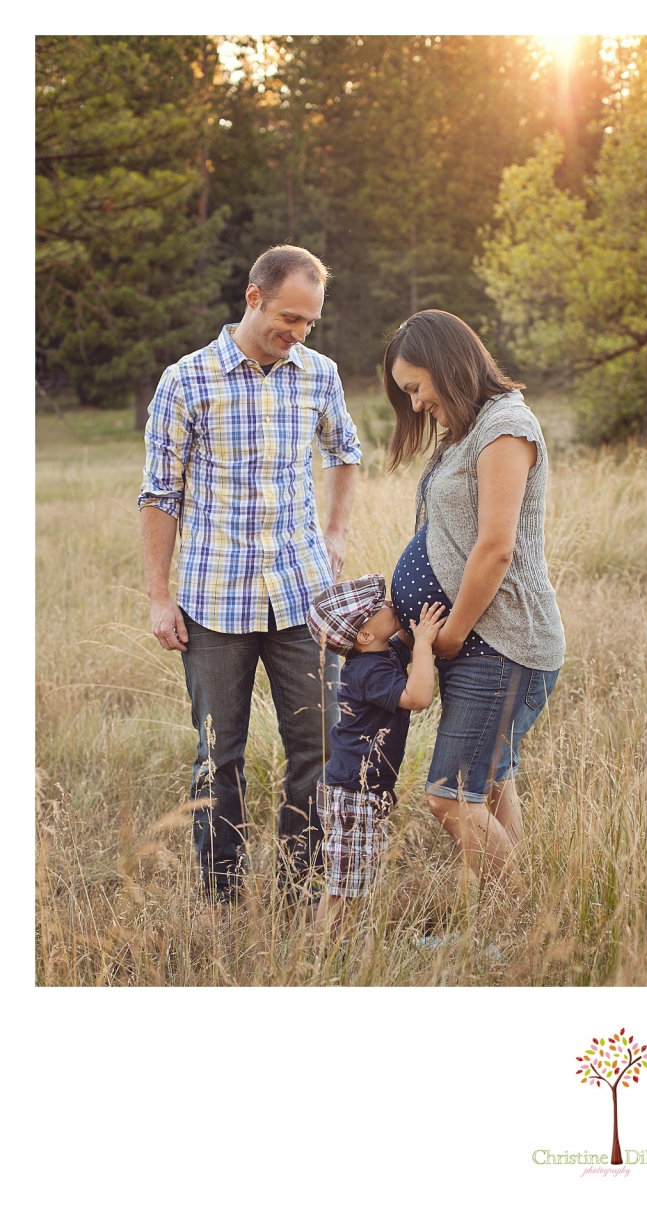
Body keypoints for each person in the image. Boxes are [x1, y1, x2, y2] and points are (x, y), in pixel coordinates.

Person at [137, 245, 361, 902]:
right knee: (218, 759)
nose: (298, 334)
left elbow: (345, 451)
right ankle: (222, 898)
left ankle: (303, 892)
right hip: (214, 603)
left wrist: (337, 531)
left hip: (301, 599)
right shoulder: (186, 381)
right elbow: (159, 495)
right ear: (253, 297)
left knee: (318, 753)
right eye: (289, 317)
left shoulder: (318, 374)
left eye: (310, 324)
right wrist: (159, 597)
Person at [383, 309, 565, 883]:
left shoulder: (505, 426)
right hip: (480, 647)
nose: (414, 404)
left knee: (451, 798)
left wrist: (452, 635)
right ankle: (509, 933)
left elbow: (495, 549)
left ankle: (526, 921)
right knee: (489, 786)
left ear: (446, 365)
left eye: (416, 387)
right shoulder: (471, 428)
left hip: (499, 642)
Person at [306, 575, 445, 933]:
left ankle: (341, 944)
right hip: (353, 791)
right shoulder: (367, 671)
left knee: (354, 879)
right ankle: (324, 952)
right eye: (379, 607)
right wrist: (426, 644)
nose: (389, 605)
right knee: (343, 887)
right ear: (365, 636)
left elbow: (402, 640)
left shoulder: (380, 653)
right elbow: (417, 698)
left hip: (361, 789)